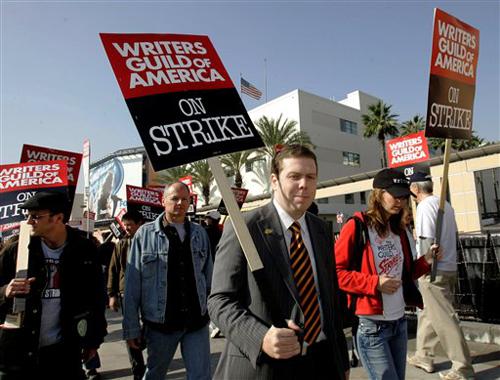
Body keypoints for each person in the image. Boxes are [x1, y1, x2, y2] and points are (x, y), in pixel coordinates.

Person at [208, 144, 349, 380]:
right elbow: (219, 301)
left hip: (322, 362)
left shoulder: (321, 230)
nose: (304, 184)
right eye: (294, 176)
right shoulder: (244, 227)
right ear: (274, 181)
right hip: (265, 367)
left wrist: (341, 360)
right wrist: (260, 337)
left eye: (310, 177)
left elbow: (330, 300)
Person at [335, 168, 440, 380]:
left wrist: (426, 260)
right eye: (395, 195)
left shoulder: (399, 230)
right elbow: (336, 273)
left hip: (399, 322)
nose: (400, 201)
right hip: (371, 327)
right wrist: (375, 283)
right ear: (379, 194)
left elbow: (405, 275)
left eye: (403, 196)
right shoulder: (357, 226)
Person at [0, 191, 107, 379]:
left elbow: (95, 297)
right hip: (18, 351)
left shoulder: (84, 249)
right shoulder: (16, 248)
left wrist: (93, 340)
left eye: (36, 217)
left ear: (58, 218)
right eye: (28, 216)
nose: (29, 221)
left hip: (64, 351)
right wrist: (5, 291)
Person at [123, 182, 213, 380]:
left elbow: (209, 278)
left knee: (201, 376)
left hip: (196, 322)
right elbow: (132, 286)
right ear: (163, 201)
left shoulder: (199, 234)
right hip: (160, 324)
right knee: (155, 374)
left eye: (184, 199)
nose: (180, 203)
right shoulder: (144, 235)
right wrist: (131, 328)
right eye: (174, 198)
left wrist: (214, 311)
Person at [407, 172, 475, 380]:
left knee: (444, 318)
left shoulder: (425, 207)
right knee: (429, 313)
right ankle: (423, 355)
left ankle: (462, 367)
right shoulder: (445, 204)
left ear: (415, 189)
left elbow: (427, 241)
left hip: (433, 270)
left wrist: (424, 266)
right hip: (448, 266)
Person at [107, 210, 145, 380]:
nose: (127, 228)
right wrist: (112, 294)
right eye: (125, 224)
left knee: (150, 329)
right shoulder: (121, 244)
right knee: (131, 331)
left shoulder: (149, 242)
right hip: (126, 293)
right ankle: (138, 370)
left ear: (139, 224)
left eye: (130, 224)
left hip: (147, 292)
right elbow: (113, 270)